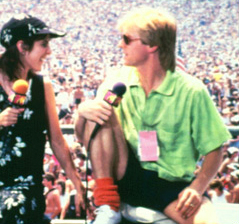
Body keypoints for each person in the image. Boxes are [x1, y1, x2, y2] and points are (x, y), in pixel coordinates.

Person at [75, 7, 231, 224]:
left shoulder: (192, 91)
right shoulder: (117, 81)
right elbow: (86, 135)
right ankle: (107, 203)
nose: (120, 44)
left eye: (127, 39)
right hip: (127, 176)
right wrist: (81, 113)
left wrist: (197, 188)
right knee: (97, 110)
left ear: (152, 45)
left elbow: (215, 149)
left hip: (173, 185)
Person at [0, 14, 85, 224]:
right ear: (22, 46)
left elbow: (56, 140)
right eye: (43, 45)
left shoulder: (42, 86)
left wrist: (77, 184)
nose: (49, 51)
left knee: (16, 209)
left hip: (26, 188)